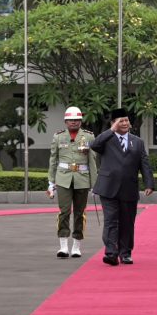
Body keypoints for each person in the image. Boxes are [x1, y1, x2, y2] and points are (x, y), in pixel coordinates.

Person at [90, 108, 155, 266]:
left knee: (127, 222)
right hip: (108, 187)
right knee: (111, 221)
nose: (125, 123)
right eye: (121, 121)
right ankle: (111, 253)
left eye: (126, 120)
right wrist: (111, 130)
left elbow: (144, 164)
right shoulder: (106, 139)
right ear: (113, 123)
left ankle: (125, 253)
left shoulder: (137, 142)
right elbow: (94, 144)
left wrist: (149, 183)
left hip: (129, 188)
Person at [47, 106, 97, 259]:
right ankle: (63, 246)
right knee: (64, 211)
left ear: (81, 121)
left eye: (76, 120)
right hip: (63, 178)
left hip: (82, 178)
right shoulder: (58, 137)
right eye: (71, 120)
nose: (74, 122)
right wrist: (51, 182)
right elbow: (53, 160)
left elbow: (92, 160)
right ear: (65, 121)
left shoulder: (88, 137)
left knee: (79, 213)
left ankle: (76, 245)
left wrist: (94, 184)